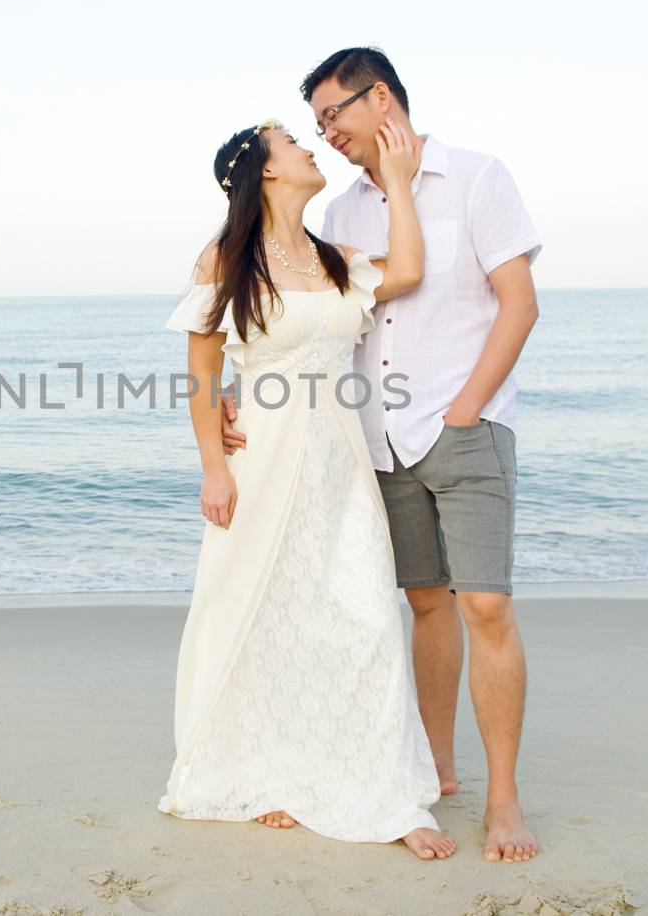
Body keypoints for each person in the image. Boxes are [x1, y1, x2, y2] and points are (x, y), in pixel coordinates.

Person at [220, 47, 543, 862]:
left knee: (487, 607)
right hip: (376, 440)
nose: (325, 134)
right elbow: (314, 317)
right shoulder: (341, 214)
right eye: (317, 123)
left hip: (463, 427)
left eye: (335, 114)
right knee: (425, 603)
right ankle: (438, 770)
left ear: (383, 98)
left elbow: (519, 302)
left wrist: (468, 408)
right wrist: (240, 385)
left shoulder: (477, 176)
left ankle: (504, 799)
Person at [157, 114, 455, 860]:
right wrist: (213, 467)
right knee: (261, 615)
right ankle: (268, 772)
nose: (308, 146)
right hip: (262, 458)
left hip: (340, 461)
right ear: (264, 170)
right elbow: (201, 373)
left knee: (363, 615)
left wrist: (396, 183)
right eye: (292, 141)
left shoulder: (334, 258)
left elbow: (409, 270)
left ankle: (391, 794)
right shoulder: (224, 259)